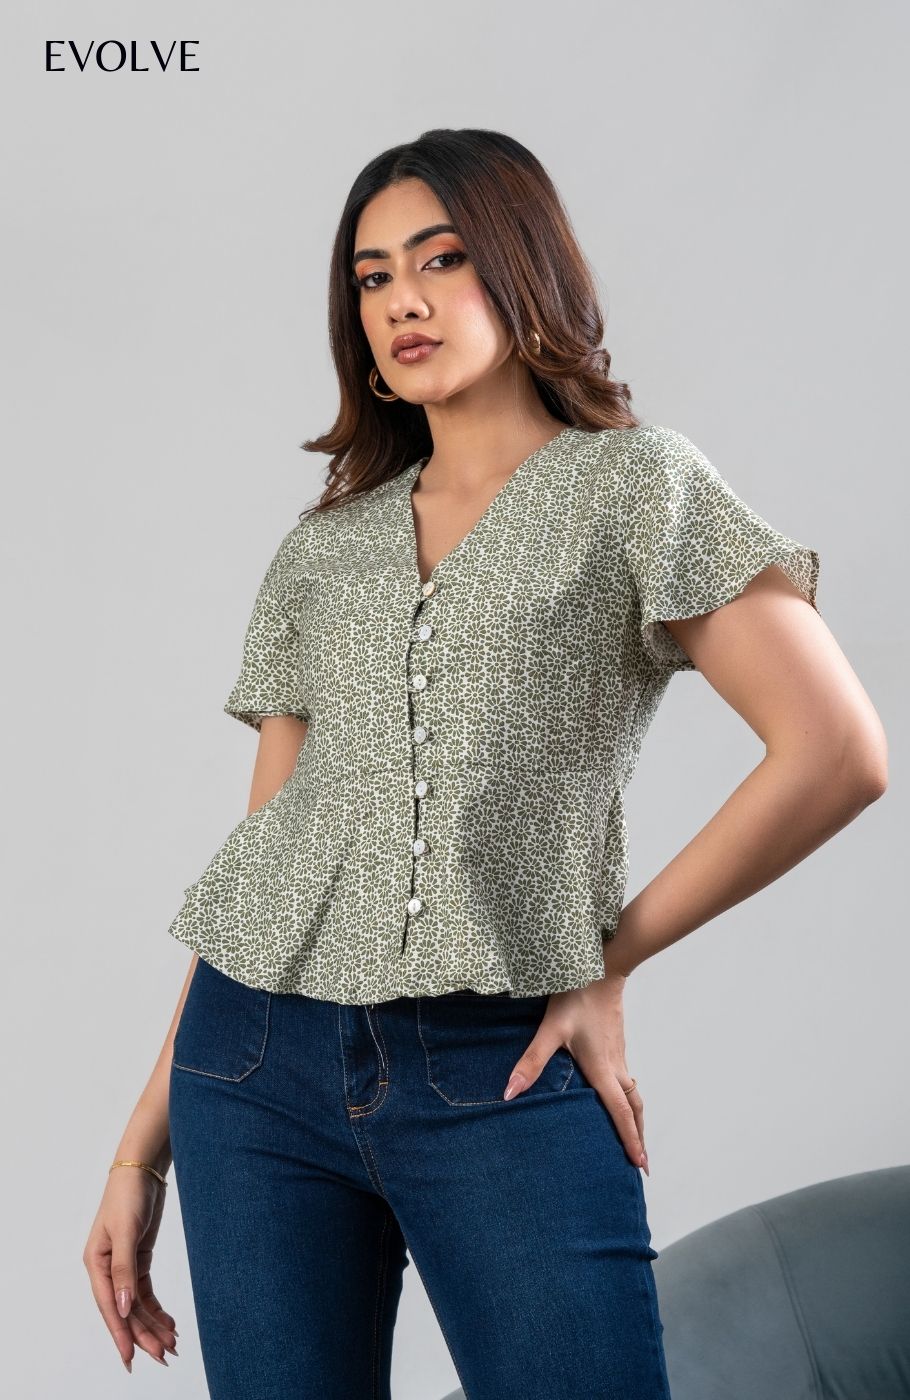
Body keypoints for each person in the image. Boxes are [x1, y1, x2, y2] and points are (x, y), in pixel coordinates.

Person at [82, 128, 888, 1399]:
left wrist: (610, 956)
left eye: (440, 259)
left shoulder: (635, 487)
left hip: (497, 1061)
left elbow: (836, 752)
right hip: (253, 1069)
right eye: (372, 277)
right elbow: (261, 871)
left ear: (522, 266)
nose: (402, 299)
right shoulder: (322, 550)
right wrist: (143, 1146)